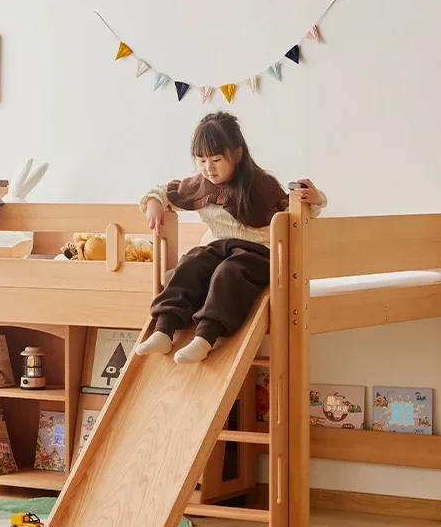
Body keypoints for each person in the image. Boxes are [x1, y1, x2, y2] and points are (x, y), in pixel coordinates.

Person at [136, 111, 327, 364]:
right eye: (201, 161)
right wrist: (153, 203)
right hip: (219, 248)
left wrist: (315, 199)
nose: (208, 169)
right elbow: (163, 190)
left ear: (237, 154)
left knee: (229, 272)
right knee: (191, 262)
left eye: (216, 159)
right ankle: (163, 328)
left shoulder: (261, 185)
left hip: (259, 252)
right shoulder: (200, 185)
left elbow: (295, 211)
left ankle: (205, 337)